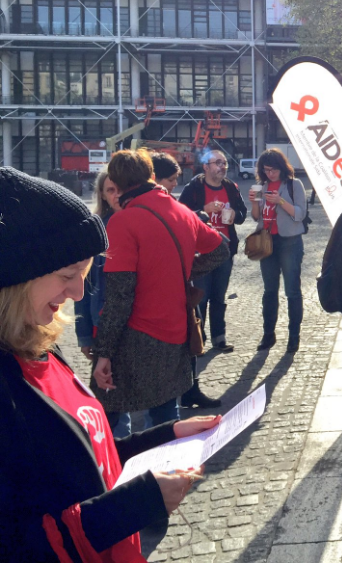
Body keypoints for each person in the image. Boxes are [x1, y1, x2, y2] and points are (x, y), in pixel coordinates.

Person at [0, 166, 222, 561]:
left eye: (85, 274)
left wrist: (168, 435)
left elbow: (86, 452)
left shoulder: (37, 345)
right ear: (13, 278)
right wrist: (137, 504)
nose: (79, 292)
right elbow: (20, 540)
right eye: (68, 274)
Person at [91, 149, 229, 434]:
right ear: (151, 175)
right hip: (175, 331)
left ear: (117, 184)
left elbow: (119, 297)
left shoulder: (122, 222)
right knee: (167, 416)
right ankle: (171, 472)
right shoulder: (182, 211)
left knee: (109, 416)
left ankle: (119, 475)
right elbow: (220, 250)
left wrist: (103, 353)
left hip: (136, 336)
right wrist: (185, 273)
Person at [74, 170, 131, 437]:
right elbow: (83, 287)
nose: (116, 195)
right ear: (102, 195)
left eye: (120, 188)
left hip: (138, 325)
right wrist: (84, 334)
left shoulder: (139, 224)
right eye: (110, 190)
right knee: (109, 399)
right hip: (102, 323)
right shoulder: (95, 230)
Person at [179, 149, 248, 354]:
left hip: (225, 250)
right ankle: (199, 339)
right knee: (201, 296)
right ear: (206, 167)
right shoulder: (194, 188)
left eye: (224, 163)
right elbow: (181, 216)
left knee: (219, 296)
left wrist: (235, 214)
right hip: (201, 252)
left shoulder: (231, 187)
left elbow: (243, 215)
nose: (222, 167)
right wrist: (205, 210)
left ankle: (220, 338)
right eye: (217, 163)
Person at [249, 148, 308, 353]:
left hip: (290, 242)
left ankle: (294, 336)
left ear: (281, 168)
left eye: (273, 170)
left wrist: (280, 202)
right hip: (267, 241)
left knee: (292, 290)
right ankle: (268, 334)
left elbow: (300, 214)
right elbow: (256, 217)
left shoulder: (294, 184)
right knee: (269, 291)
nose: (269, 174)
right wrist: (254, 202)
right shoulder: (261, 186)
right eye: (265, 170)